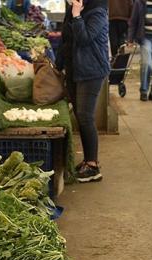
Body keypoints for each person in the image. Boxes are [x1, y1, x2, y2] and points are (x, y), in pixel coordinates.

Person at [56, 0, 110, 183]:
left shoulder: (98, 11)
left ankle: (93, 166)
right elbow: (66, 39)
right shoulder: (73, 9)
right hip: (75, 69)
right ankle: (88, 160)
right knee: (80, 116)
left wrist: (77, 15)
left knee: (85, 115)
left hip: (92, 69)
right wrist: (58, 66)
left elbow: (84, 38)